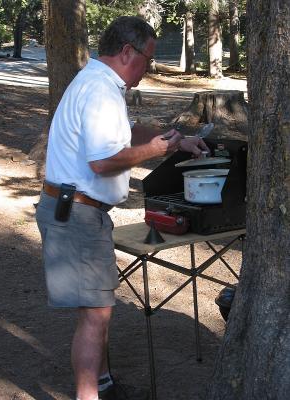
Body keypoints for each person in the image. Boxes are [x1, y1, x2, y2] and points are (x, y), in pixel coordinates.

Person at [36, 16, 208, 400]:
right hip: (76, 213)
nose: (148, 69)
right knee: (95, 317)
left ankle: (103, 384)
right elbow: (103, 161)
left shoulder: (100, 83)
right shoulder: (100, 89)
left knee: (98, 311)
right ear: (127, 50)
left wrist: (178, 141)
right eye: (147, 58)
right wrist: (156, 150)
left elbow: (122, 134)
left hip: (77, 210)